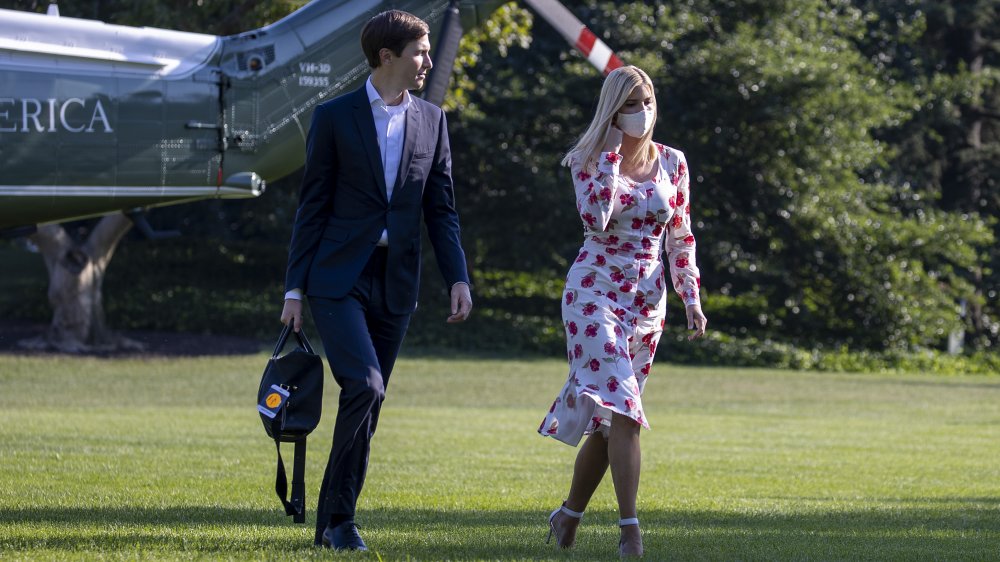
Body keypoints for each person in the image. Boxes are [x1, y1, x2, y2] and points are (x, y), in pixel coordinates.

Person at [280, 9, 473, 551]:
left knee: (369, 402)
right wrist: (294, 289)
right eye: (419, 52)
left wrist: (457, 277)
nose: (428, 62)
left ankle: (331, 522)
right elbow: (311, 209)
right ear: (386, 56)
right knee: (365, 385)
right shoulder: (335, 117)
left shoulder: (432, 121)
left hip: (397, 283)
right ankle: (342, 523)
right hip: (336, 279)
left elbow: (443, 211)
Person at [538, 65, 707, 558]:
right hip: (593, 294)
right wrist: (611, 152)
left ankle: (567, 516)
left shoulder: (674, 162)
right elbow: (595, 217)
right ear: (612, 111)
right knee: (626, 411)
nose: (642, 112)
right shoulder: (587, 158)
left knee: (611, 420)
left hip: (646, 303)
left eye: (647, 100)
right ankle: (630, 531)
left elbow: (681, 238)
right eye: (630, 104)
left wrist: (691, 297)